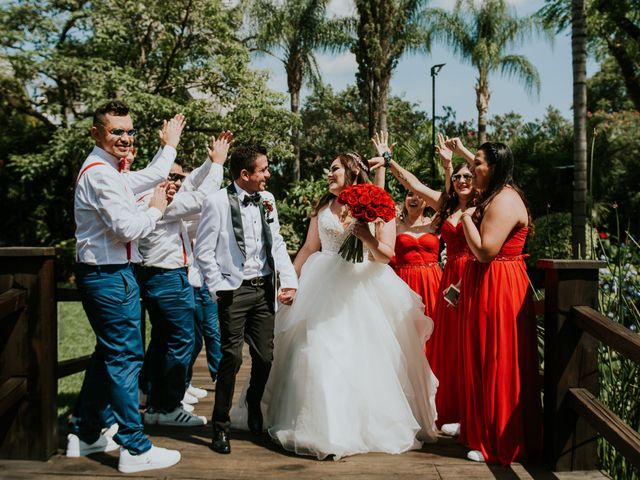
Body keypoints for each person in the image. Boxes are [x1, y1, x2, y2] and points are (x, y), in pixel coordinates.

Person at [263, 152, 438, 460]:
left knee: (360, 357)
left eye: (334, 169)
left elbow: (386, 255)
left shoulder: (377, 203)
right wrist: (290, 280)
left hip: (361, 287)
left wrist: (366, 236)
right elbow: (308, 247)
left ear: (352, 172)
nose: (328, 173)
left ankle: (359, 426)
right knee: (314, 350)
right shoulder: (323, 206)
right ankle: (317, 428)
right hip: (322, 284)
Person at [69, 99, 185, 474]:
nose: (124, 138)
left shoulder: (107, 170)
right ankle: (134, 447)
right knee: (125, 359)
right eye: (116, 131)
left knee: (108, 355)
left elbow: (149, 175)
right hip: (109, 275)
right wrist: (156, 209)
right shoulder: (101, 174)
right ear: (96, 133)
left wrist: (169, 146)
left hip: (110, 274)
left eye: (129, 131)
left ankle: (86, 433)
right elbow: (126, 229)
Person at [369, 133, 475, 433]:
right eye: (458, 176)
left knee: (452, 343)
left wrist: (452, 161)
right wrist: (387, 163)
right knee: (423, 343)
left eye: (468, 175)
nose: (462, 179)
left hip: (444, 280)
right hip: (416, 282)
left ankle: (458, 409)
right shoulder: (420, 214)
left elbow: (462, 186)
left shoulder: (454, 213)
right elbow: (407, 187)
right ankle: (429, 403)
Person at [195, 144, 298, 454]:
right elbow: (203, 250)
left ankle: (254, 403)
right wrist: (219, 287)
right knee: (231, 358)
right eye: (263, 169)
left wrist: (289, 280)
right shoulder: (216, 202)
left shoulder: (267, 200)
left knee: (265, 357)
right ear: (245, 174)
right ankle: (220, 426)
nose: (268, 174)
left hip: (264, 288)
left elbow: (277, 241)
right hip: (234, 290)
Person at [453, 138, 542, 464]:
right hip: (485, 283)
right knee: (480, 355)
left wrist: (463, 216)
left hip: (499, 283)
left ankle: (497, 442)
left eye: (477, 163)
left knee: (496, 357)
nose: (471, 168)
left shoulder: (504, 200)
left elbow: (485, 250)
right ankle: (480, 430)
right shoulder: (493, 193)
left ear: (494, 167)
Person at [136, 132, 232, 427]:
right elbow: (202, 198)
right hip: (166, 277)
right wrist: (217, 165)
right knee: (182, 340)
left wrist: (208, 162)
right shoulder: (156, 200)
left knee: (165, 340)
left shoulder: (153, 192)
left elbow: (189, 186)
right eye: (171, 175)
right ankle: (166, 407)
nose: (176, 181)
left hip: (163, 276)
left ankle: (152, 398)